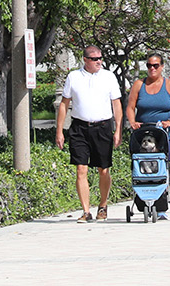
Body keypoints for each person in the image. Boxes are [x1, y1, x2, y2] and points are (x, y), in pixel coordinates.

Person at [55, 46, 124, 223]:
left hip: (102, 127)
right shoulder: (74, 77)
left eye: (100, 58)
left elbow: (116, 104)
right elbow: (64, 104)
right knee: (81, 169)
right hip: (79, 128)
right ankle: (86, 211)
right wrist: (59, 131)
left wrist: (118, 130)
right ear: (85, 60)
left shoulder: (108, 77)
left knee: (103, 169)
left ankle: (103, 205)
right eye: (94, 59)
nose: (99, 61)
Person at [124, 53, 170, 219]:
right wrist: (132, 122)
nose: (152, 68)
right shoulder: (138, 85)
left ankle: (162, 205)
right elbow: (130, 107)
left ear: (162, 67)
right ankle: (142, 199)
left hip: (164, 133)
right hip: (143, 132)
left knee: (162, 166)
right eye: (149, 65)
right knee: (141, 165)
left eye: (156, 65)